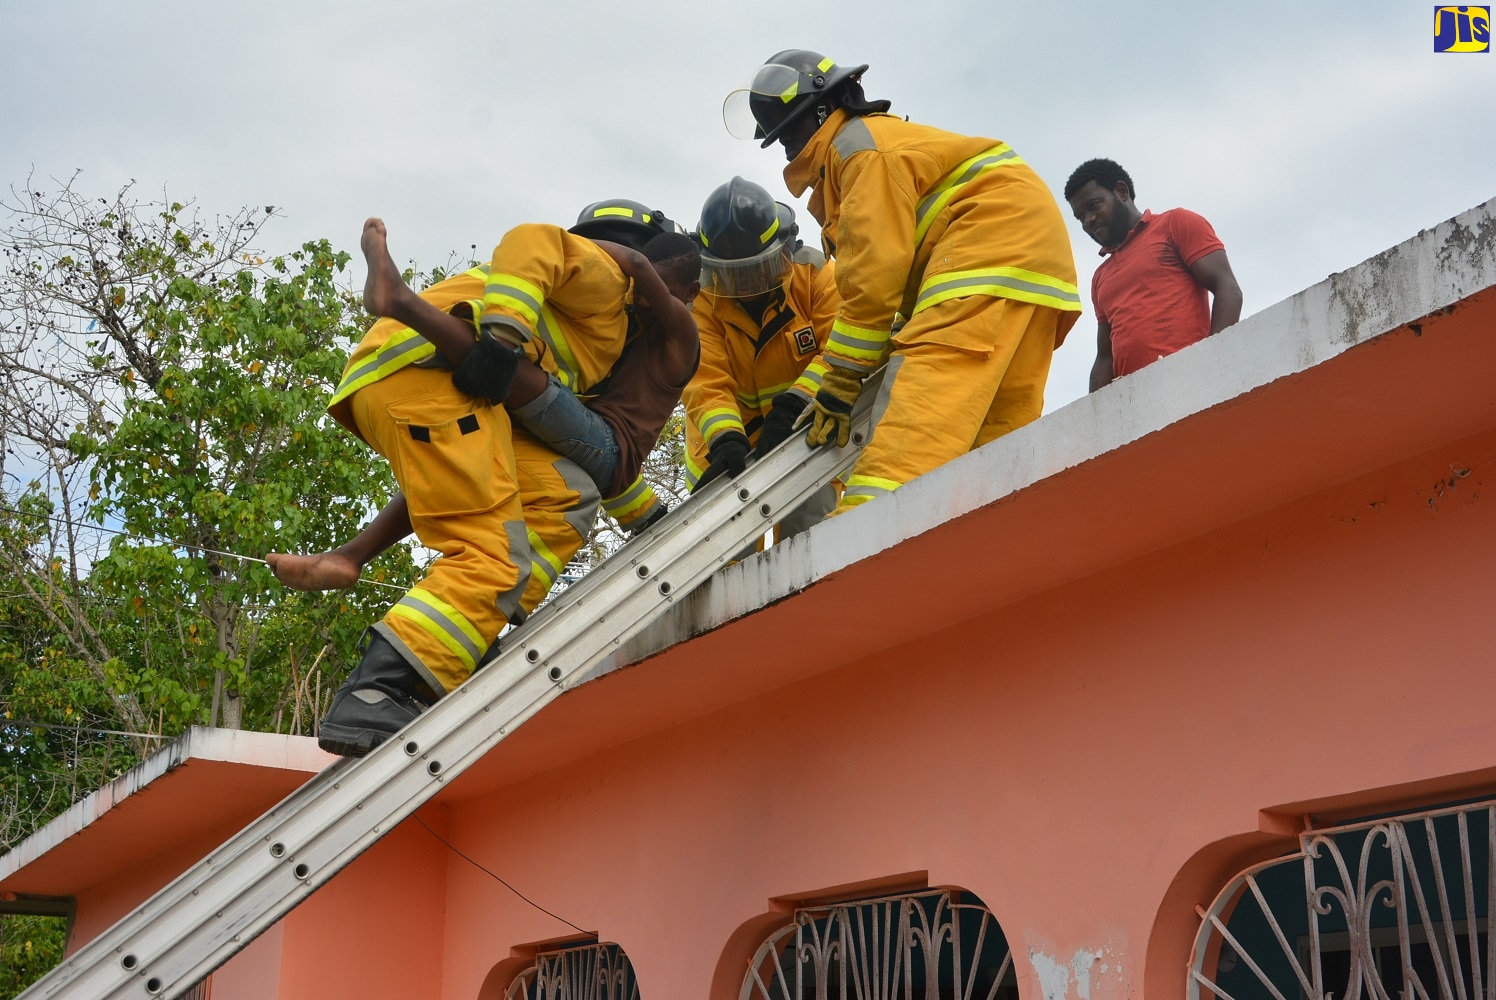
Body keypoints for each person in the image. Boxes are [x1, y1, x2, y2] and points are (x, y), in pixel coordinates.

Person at [296, 216, 698, 757]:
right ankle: (372, 693)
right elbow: (533, 239)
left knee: (563, 492)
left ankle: (456, 624)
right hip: (424, 375)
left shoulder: (600, 336)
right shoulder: (606, 278)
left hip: (438, 386)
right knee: (496, 553)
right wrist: (506, 334)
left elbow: (586, 457)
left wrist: (642, 512)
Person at [726, 50, 1082, 514]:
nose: (786, 147)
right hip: (1028, 269)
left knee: (909, 440)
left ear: (820, 110)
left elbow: (873, 277)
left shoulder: (858, 152)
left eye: (788, 131)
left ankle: (859, 552)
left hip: (983, 259)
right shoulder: (868, 147)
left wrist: (840, 381)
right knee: (992, 443)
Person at [682, 177, 841, 535]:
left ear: (783, 249)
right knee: (721, 558)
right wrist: (725, 438)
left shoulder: (816, 276)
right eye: (735, 274)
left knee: (809, 539)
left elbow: (843, 349)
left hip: (802, 431)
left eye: (758, 267)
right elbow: (706, 383)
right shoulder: (702, 305)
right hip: (725, 451)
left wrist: (793, 407)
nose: (750, 282)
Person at [1063, 158, 1242, 391]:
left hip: (1193, 384)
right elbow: (1105, 357)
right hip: (1135, 404)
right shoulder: (1099, 277)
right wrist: (1096, 418)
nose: (1088, 221)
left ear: (1121, 191)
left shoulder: (1175, 223)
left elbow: (1227, 288)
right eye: (1080, 217)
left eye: (1094, 206)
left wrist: (1214, 361)